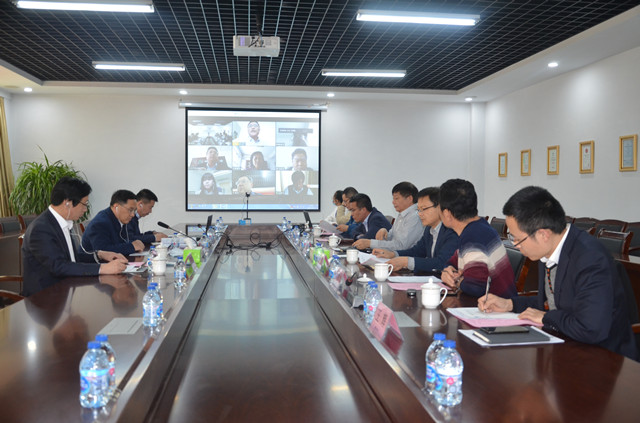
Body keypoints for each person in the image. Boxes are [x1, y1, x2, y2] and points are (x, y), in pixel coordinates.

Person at [479, 186, 638, 360]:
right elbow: (553, 302)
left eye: (517, 239)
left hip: (606, 359)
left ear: (543, 234)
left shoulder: (590, 259)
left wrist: (546, 318)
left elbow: (591, 328)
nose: (515, 245)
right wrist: (509, 304)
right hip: (569, 346)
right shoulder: (548, 250)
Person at [21, 177, 127, 297]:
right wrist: (103, 268)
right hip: (45, 298)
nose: (85, 209)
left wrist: (100, 255)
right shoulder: (41, 229)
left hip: (66, 290)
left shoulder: (62, 222)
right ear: (68, 203)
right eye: (84, 204)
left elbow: (71, 258)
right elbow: (59, 266)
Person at [438, 179, 516, 298]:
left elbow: (476, 287)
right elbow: (452, 262)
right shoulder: (477, 227)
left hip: (496, 306)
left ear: (447, 214)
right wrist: (447, 271)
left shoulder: (473, 236)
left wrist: (457, 281)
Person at [373, 187, 459, 272]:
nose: (420, 214)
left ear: (440, 207)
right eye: (418, 210)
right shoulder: (429, 229)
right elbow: (417, 251)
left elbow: (442, 262)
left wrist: (406, 262)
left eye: (424, 209)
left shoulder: (451, 230)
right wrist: (393, 254)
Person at [353, 182, 423, 251]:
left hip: (407, 256)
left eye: (396, 198)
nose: (393, 202)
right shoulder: (401, 215)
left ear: (409, 199)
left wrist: (370, 243)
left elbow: (401, 246)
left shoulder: (415, 217)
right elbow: (391, 238)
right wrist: (385, 233)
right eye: (393, 199)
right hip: (396, 254)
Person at [82, 190, 146, 256]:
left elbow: (121, 242)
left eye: (134, 211)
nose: (133, 214)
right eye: (130, 210)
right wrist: (131, 246)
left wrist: (134, 243)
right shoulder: (100, 223)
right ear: (116, 206)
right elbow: (103, 251)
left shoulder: (120, 219)